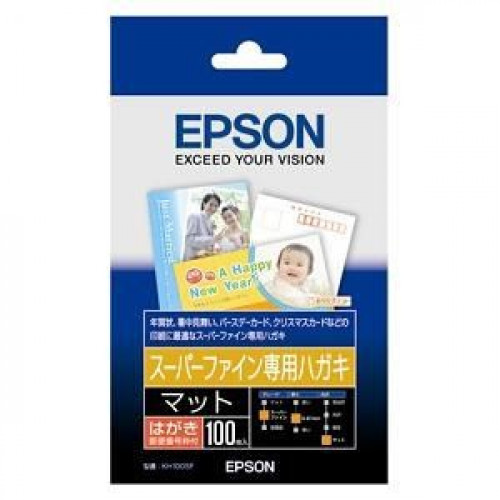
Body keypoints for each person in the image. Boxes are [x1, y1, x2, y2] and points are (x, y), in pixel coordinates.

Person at [264, 243, 315, 308]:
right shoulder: (277, 286)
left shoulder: (305, 285)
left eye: (299, 265)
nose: (292, 268)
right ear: (278, 266)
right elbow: (296, 300)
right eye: (287, 263)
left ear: (309, 271)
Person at [183, 192, 223, 260]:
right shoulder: (194, 216)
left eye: (216, 206)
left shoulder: (211, 221)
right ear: (204, 204)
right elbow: (189, 240)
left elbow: (210, 242)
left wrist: (215, 244)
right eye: (211, 204)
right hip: (192, 258)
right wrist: (213, 239)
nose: (213, 208)